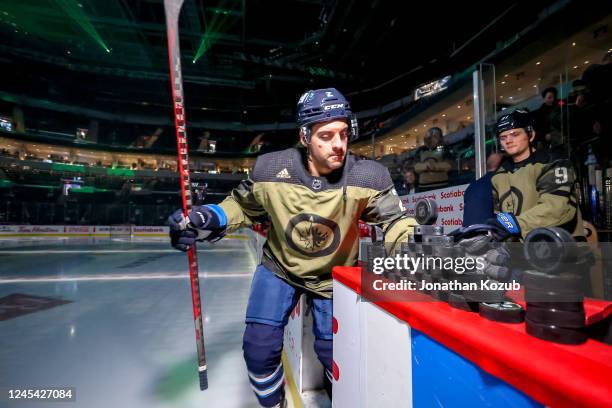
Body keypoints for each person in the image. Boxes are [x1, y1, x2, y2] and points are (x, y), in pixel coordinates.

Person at [167, 88, 415, 407]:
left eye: (343, 133)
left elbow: (396, 220)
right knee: (258, 348)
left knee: (335, 354)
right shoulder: (271, 169)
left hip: (334, 275)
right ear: (304, 135)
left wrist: (413, 249)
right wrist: (204, 217)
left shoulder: (369, 175)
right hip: (280, 269)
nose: (338, 144)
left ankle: (338, 397)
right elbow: (239, 206)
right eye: (326, 135)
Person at [490, 109, 583, 240]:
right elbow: (499, 216)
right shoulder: (498, 176)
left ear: (530, 134)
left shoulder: (552, 162)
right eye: (503, 137)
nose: (508, 141)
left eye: (514, 134)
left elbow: (557, 208)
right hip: (520, 254)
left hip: (560, 250)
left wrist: (514, 225)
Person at [461, 152, 503, 227]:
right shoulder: (500, 183)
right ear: (501, 166)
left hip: (468, 234)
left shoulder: (472, 186)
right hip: (489, 234)